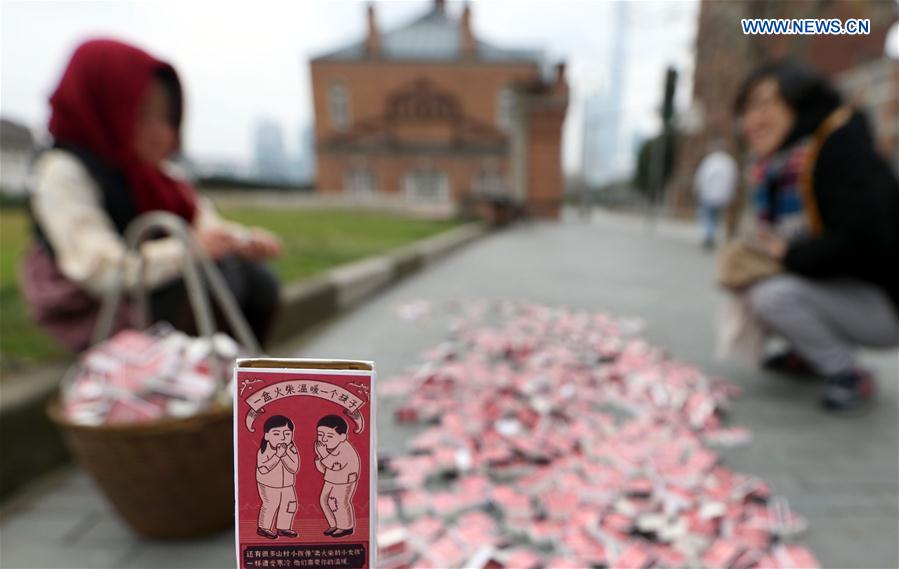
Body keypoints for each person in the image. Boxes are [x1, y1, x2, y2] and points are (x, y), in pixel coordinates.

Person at [20, 39, 283, 351]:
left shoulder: (160, 175)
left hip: (154, 289)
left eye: (169, 118)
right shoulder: (65, 173)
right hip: (101, 306)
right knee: (215, 279)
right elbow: (100, 271)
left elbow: (206, 227)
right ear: (105, 111)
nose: (164, 133)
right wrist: (190, 250)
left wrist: (240, 240)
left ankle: (234, 377)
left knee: (258, 280)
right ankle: (179, 382)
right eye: (145, 116)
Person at [732, 60, 899, 411]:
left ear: (799, 100)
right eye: (747, 108)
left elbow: (864, 242)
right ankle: (808, 354)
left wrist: (789, 255)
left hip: (887, 302)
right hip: (853, 290)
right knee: (754, 283)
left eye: (765, 104)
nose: (753, 120)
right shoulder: (784, 163)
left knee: (771, 295)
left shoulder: (840, 145)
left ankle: (847, 372)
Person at [314, 415, 360, 538]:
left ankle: (346, 527)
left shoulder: (345, 448)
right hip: (331, 479)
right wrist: (320, 459)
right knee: (324, 500)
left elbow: (335, 465)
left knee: (338, 502)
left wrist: (323, 454)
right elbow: (325, 469)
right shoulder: (331, 449)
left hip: (344, 481)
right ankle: (334, 524)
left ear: (342, 437)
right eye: (320, 435)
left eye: (329, 436)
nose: (323, 439)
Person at [256, 415, 299, 539]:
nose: (282, 438)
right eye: (276, 433)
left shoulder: (291, 449)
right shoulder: (264, 451)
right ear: (267, 435)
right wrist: (277, 456)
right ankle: (264, 528)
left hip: (287, 484)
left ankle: (283, 527)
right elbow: (263, 469)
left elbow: (294, 468)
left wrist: (284, 455)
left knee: (290, 504)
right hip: (269, 484)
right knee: (271, 504)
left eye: (287, 434)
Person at [693, 140, 738, 250]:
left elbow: (701, 177)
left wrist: (698, 190)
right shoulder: (729, 161)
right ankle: (711, 235)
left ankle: (709, 236)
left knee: (708, 216)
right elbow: (733, 180)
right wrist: (730, 194)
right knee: (716, 217)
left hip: (707, 194)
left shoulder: (709, 161)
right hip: (722, 195)